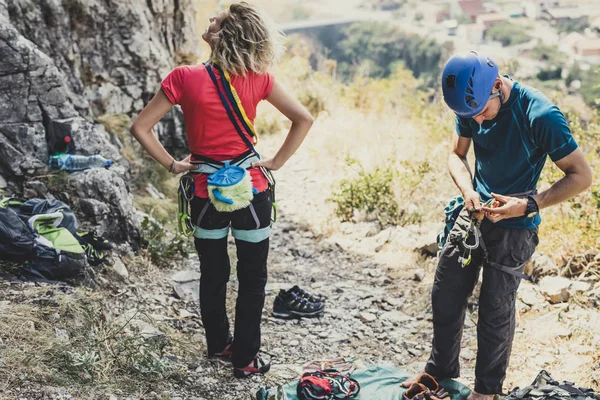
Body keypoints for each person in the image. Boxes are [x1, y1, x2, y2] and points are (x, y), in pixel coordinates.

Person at [130, 2, 314, 378]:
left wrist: (173, 165)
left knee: (213, 274)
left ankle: (218, 344)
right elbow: (303, 118)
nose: (209, 21)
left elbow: (140, 128)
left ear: (222, 35)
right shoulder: (259, 78)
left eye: (215, 20)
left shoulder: (183, 77)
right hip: (252, 190)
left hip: (204, 191)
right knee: (253, 277)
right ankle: (245, 359)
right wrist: (276, 161)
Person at [402, 51, 592, 399]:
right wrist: (468, 190)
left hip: (515, 223)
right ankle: (439, 371)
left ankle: (486, 392)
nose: (476, 122)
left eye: (481, 113)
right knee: (445, 293)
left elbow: (581, 177)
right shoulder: (471, 105)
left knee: (495, 307)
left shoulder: (540, 114)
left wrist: (529, 204)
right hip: (475, 211)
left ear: (497, 85)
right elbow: (456, 155)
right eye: (468, 117)